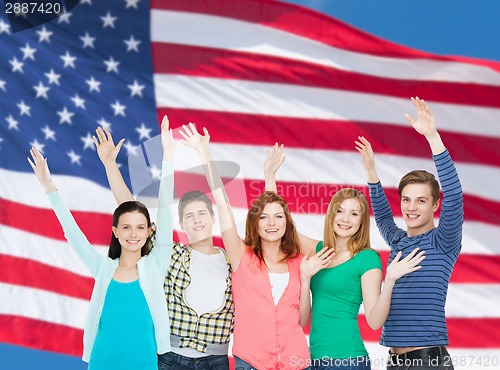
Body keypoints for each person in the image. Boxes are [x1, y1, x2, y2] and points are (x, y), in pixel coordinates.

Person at [178, 123, 335, 370]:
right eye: (263, 217)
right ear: (255, 223)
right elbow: (222, 202)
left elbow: (302, 320)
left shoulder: (298, 262)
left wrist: (305, 279)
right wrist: (203, 152)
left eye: (279, 217)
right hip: (251, 362)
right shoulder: (242, 256)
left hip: (296, 363)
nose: (271, 223)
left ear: (287, 222)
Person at [27, 118, 175, 370]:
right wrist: (49, 186)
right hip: (101, 362)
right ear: (115, 232)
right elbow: (73, 235)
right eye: (126, 227)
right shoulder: (104, 268)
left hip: (144, 363)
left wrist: (168, 158)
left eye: (140, 228)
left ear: (149, 231)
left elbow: (165, 212)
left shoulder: (157, 264)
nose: (133, 234)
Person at [265, 146, 425, 370]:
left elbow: (374, 321)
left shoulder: (366, 259)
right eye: (340, 211)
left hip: (348, 360)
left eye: (354, 213)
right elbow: (282, 228)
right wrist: (270, 177)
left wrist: (389, 281)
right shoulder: (319, 250)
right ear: (331, 215)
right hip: (314, 359)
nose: (345, 219)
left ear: (362, 221)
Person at [93, 118, 233, 370]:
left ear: (213, 218)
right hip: (171, 358)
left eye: (202, 213)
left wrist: (204, 152)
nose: (196, 220)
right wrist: (110, 165)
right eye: (188, 216)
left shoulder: (231, 259)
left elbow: (224, 202)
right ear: (181, 223)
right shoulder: (171, 254)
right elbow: (132, 211)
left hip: (216, 359)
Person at [355, 97, 464, 370]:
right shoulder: (398, 241)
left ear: (435, 204)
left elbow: (454, 194)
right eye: (406, 200)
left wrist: (432, 137)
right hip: (395, 361)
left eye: (421, 200)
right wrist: (371, 172)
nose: (411, 208)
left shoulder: (443, 241)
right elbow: (381, 214)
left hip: (428, 361)